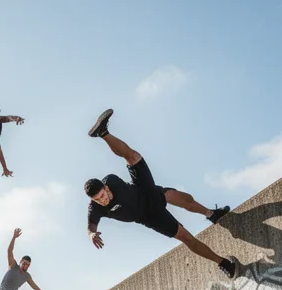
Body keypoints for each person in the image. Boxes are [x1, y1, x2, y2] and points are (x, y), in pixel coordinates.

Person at [84, 109, 238, 278]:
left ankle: (211, 214)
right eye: (98, 200)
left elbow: (126, 157)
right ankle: (223, 263)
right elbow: (91, 226)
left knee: (134, 157)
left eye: (103, 195)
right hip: (149, 216)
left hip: (145, 190)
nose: (103, 200)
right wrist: (92, 234)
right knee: (187, 238)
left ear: (106, 188)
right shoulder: (95, 208)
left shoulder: (111, 181)